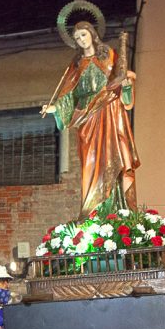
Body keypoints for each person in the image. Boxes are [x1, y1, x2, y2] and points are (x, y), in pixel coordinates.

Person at [42, 18, 138, 217]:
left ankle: (117, 211)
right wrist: (55, 108)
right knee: (91, 164)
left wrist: (126, 84)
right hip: (88, 118)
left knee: (114, 157)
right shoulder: (76, 65)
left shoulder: (109, 56)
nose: (81, 40)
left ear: (92, 35)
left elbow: (121, 83)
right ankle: (93, 210)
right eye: (77, 38)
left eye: (83, 35)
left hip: (111, 112)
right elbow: (69, 95)